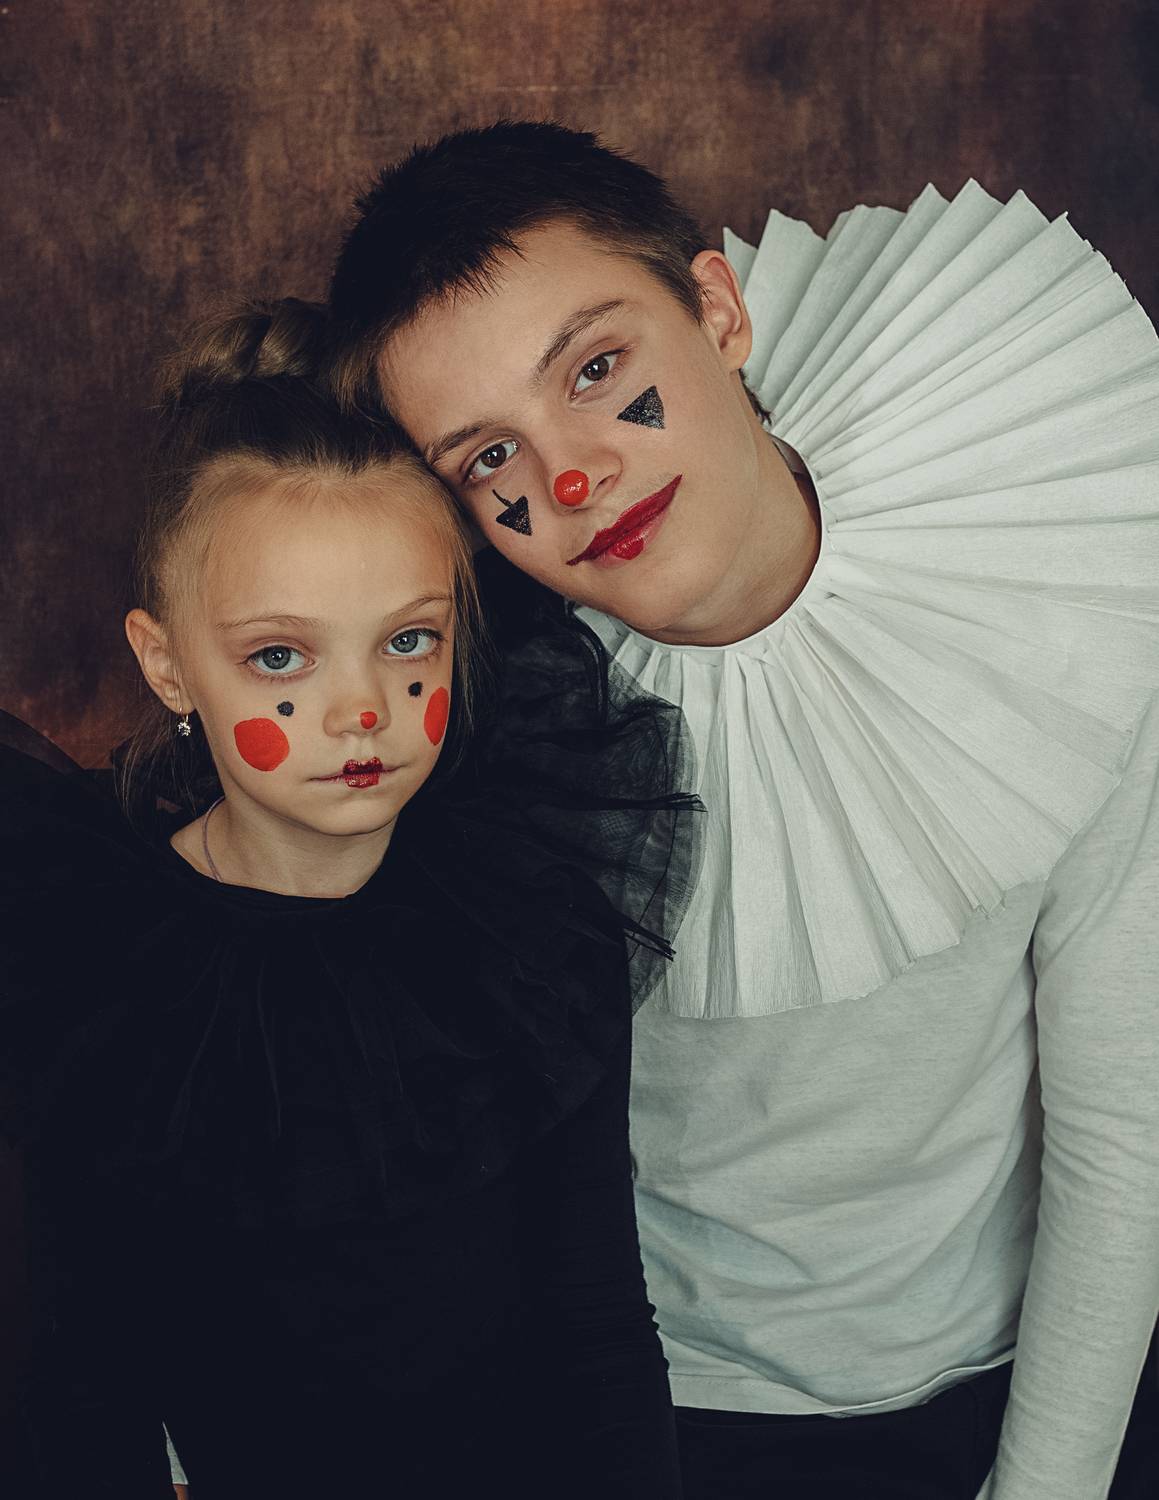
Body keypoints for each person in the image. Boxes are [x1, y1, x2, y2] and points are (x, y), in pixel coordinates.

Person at [326, 121, 1159, 1500]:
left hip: (1031, 1379)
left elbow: (1123, 1129)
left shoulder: (1043, 569)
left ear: (716, 310)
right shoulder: (489, 727)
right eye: (489, 460)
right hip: (660, 1411)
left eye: (597, 370)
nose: (571, 479)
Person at [0, 297, 700, 1498]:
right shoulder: (93, 973)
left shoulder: (531, 936)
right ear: (168, 665)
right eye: (281, 656)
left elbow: (597, 1326)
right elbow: (79, 1385)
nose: (361, 710)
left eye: (408, 642)